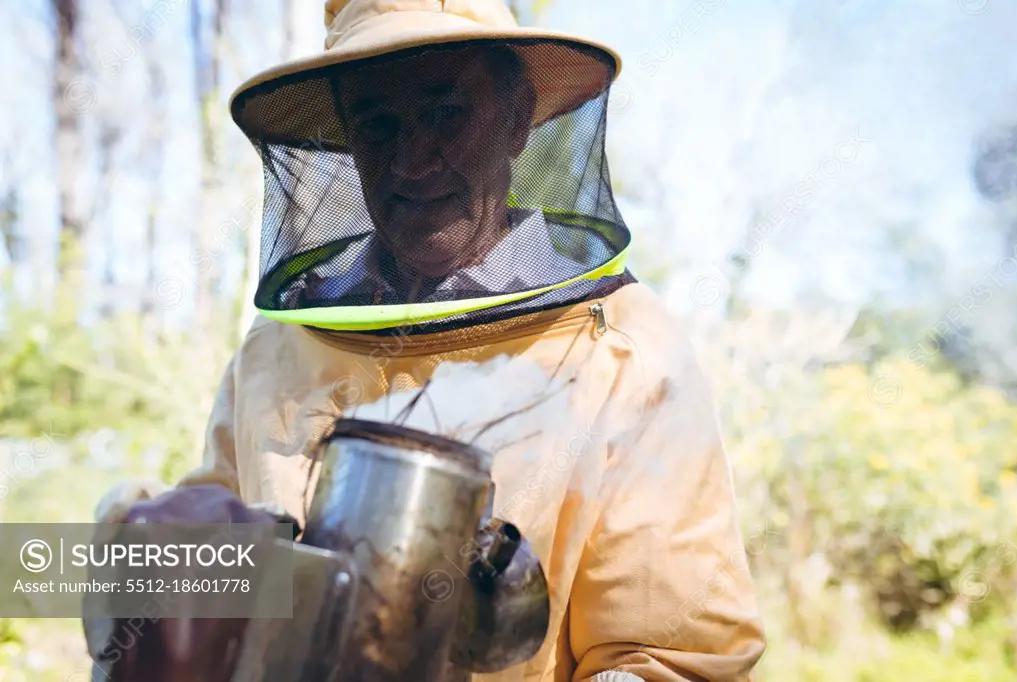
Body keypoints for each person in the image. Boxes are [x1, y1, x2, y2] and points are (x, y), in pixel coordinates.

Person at [84, 1, 767, 681]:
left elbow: (671, 658)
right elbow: (209, 577)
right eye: (378, 126)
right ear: (348, 141)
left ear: (516, 117)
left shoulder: (628, 351)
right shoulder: (276, 350)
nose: (413, 161)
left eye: (446, 114)